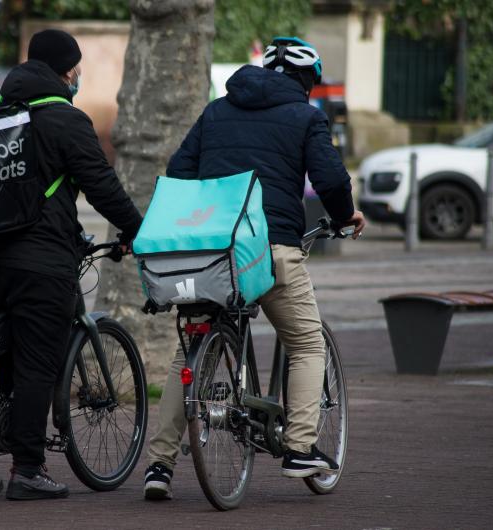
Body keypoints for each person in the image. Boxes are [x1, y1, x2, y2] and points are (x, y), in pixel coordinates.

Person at [142, 36, 366, 500]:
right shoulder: (306, 116)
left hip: (215, 255)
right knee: (305, 342)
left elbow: (179, 172)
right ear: (307, 81)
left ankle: (159, 465)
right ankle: (301, 448)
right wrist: (347, 217)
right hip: (272, 250)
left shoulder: (216, 110)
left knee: (187, 355)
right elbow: (328, 179)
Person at [0, 29, 142, 501]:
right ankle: (28, 470)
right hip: (41, 262)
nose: (79, 74)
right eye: (76, 67)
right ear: (66, 70)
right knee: (38, 362)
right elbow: (101, 185)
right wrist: (137, 230)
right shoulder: (65, 119)